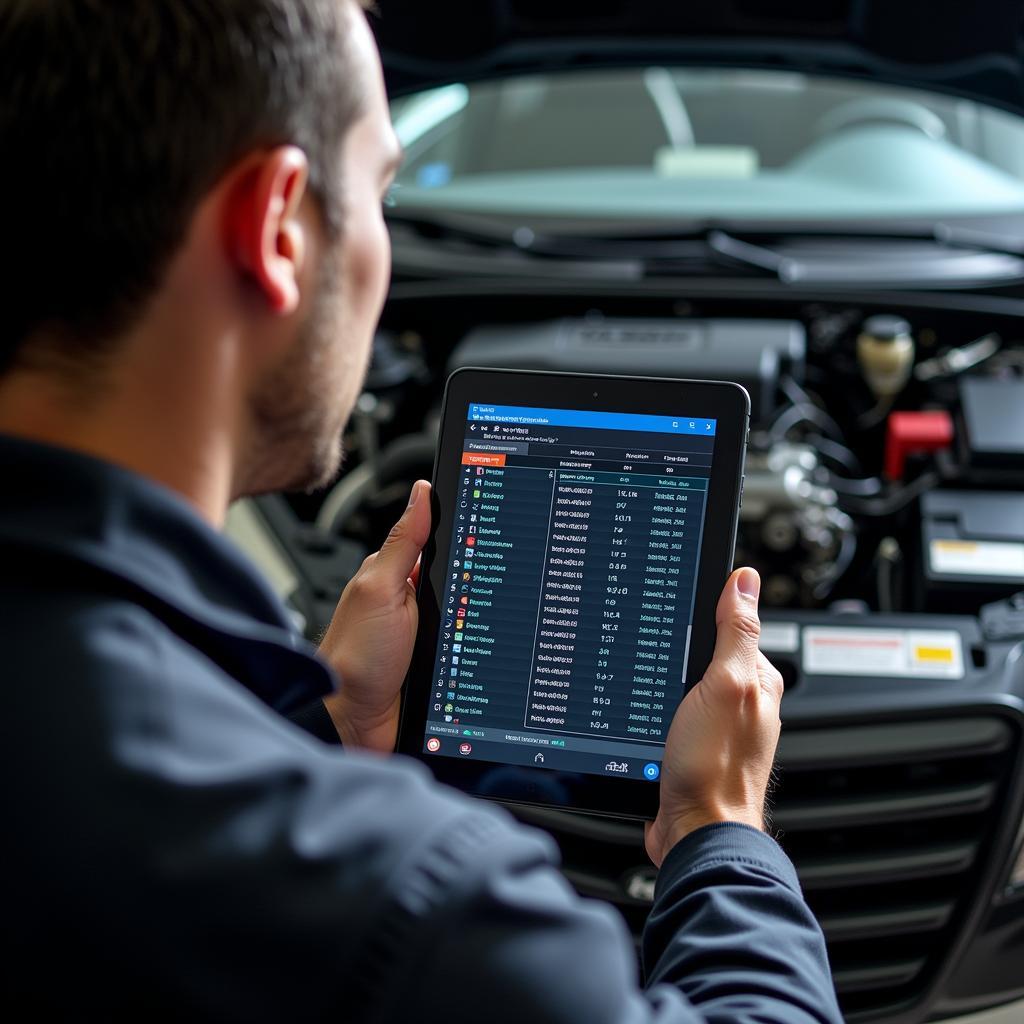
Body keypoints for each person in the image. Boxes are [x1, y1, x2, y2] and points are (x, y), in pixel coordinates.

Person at [0, 2, 843, 1021]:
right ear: (276, 229)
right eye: (382, 190)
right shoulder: (409, 907)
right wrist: (720, 824)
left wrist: (328, 723)